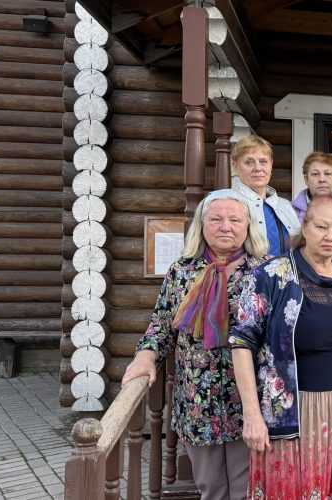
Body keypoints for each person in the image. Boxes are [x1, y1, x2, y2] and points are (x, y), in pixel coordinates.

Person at [121, 189, 270, 500]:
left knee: (250, 490)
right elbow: (161, 325)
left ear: (248, 226)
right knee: (211, 489)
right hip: (199, 401)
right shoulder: (182, 271)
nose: (226, 226)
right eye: (216, 219)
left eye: (235, 220)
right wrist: (146, 355)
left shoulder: (266, 271)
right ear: (202, 225)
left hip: (250, 401)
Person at [230, 196, 332, 499]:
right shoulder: (271, 275)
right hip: (294, 412)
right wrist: (252, 415)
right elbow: (241, 343)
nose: (330, 236)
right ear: (305, 227)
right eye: (322, 227)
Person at [230, 135, 300, 256]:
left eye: (263, 162)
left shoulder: (285, 206)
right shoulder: (226, 203)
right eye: (249, 162)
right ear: (236, 166)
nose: (258, 168)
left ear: (271, 165)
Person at [291, 151, 332, 224]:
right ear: (306, 180)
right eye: (315, 174)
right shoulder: (290, 211)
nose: (322, 179)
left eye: (328, 174)